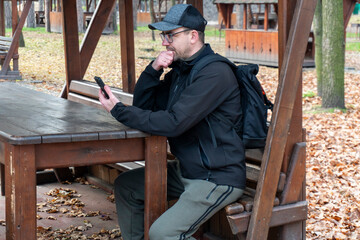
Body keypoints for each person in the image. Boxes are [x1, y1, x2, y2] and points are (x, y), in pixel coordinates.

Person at [99, 4, 246, 240]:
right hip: (188, 169)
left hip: (216, 177)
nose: (164, 42)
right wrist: (154, 68)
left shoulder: (214, 73)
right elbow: (145, 107)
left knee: (163, 234)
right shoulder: (182, 70)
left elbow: (174, 122)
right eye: (163, 35)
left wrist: (119, 111)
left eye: (170, 35)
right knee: (127, 186)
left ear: (193, 36)